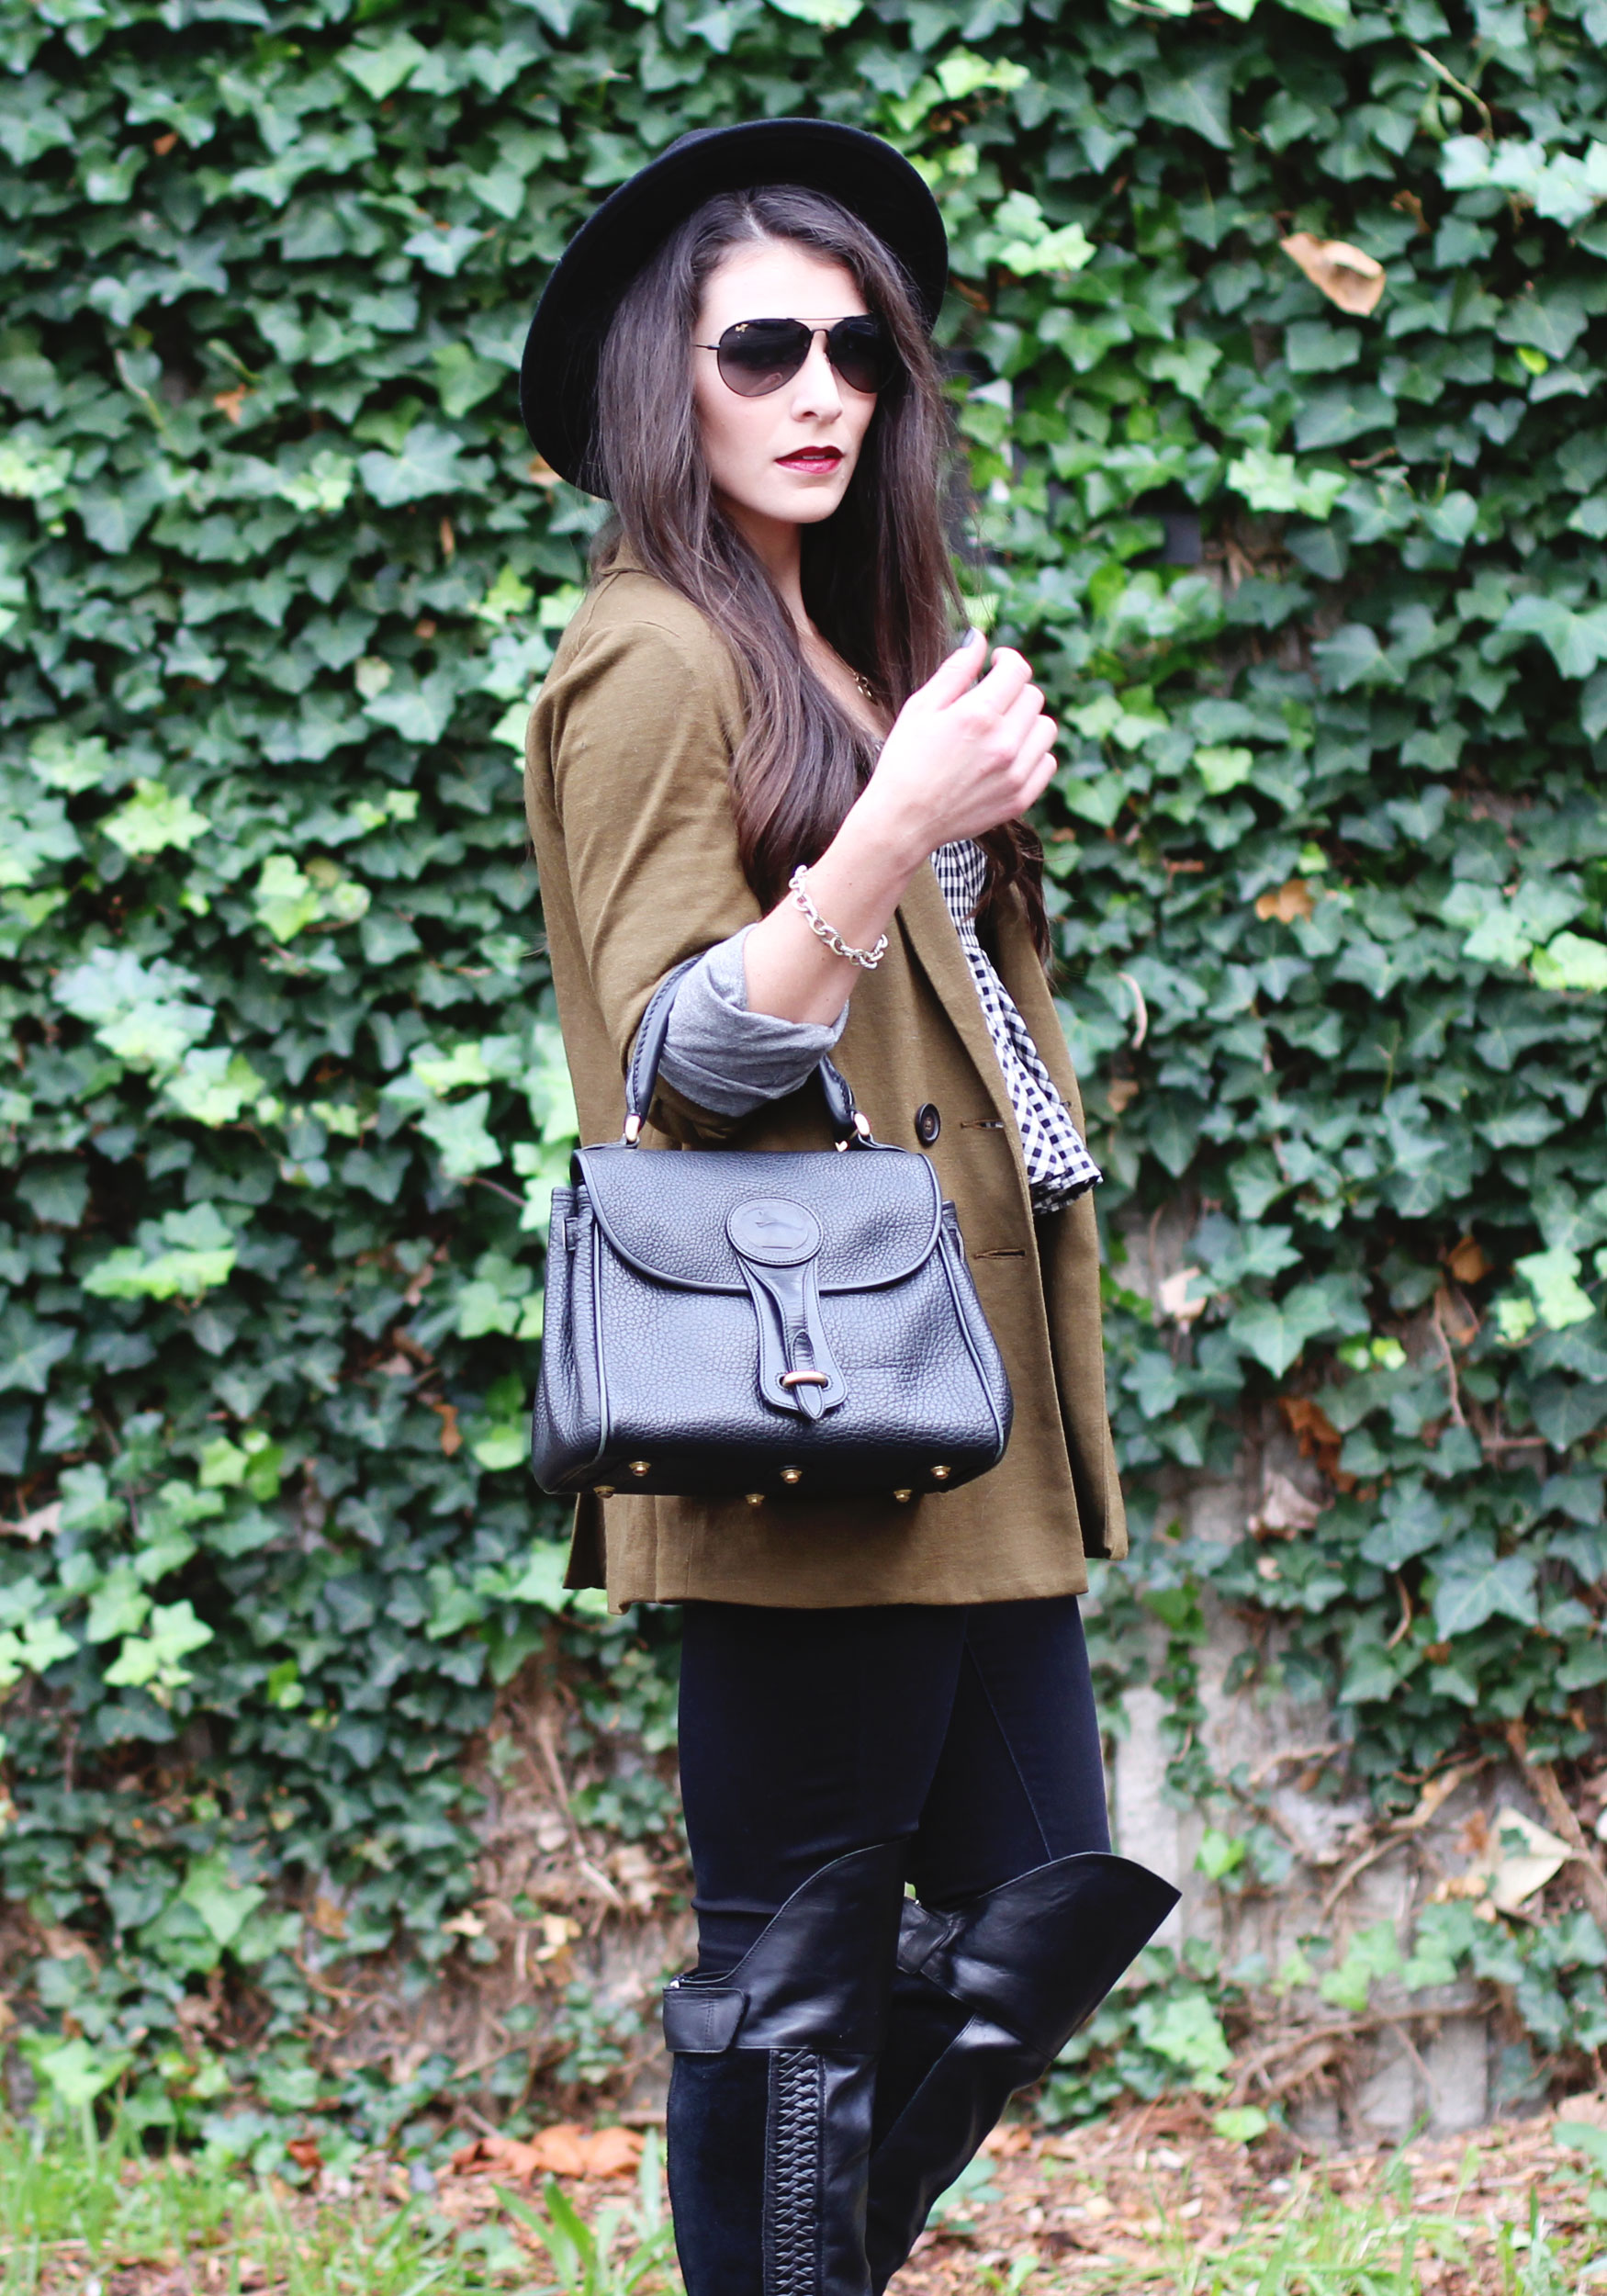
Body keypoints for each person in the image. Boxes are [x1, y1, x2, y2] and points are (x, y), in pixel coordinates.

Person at [518, 119, 1177, 2296]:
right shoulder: (652, 653)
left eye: (857, 351)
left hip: (951, 1385)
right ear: (661, 381)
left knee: (1037, 1892)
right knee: (790, 1964)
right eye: (761, 347)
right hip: (804, 1394)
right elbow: (679, 1060)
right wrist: (892, 829)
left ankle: (791, 2263)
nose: (821, 390)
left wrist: (934, 798)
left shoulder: (857, 643)